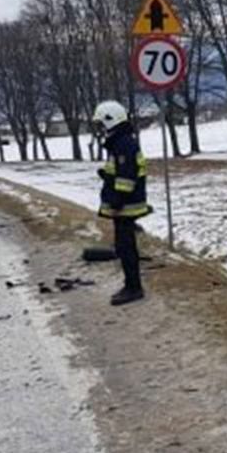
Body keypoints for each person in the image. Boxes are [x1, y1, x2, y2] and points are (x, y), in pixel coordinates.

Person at [93, 100, 151, 306]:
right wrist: (107, 177)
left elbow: (127, 176)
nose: (100, 128)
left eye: (102, 123)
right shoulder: (120, 142)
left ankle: (133, 288)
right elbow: (120, 171)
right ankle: (131, 285)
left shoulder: (123, 144)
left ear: (111, 121)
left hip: (126, 205)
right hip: (124, 204)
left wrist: (117, 198)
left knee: (126, 248)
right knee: (123, 246)